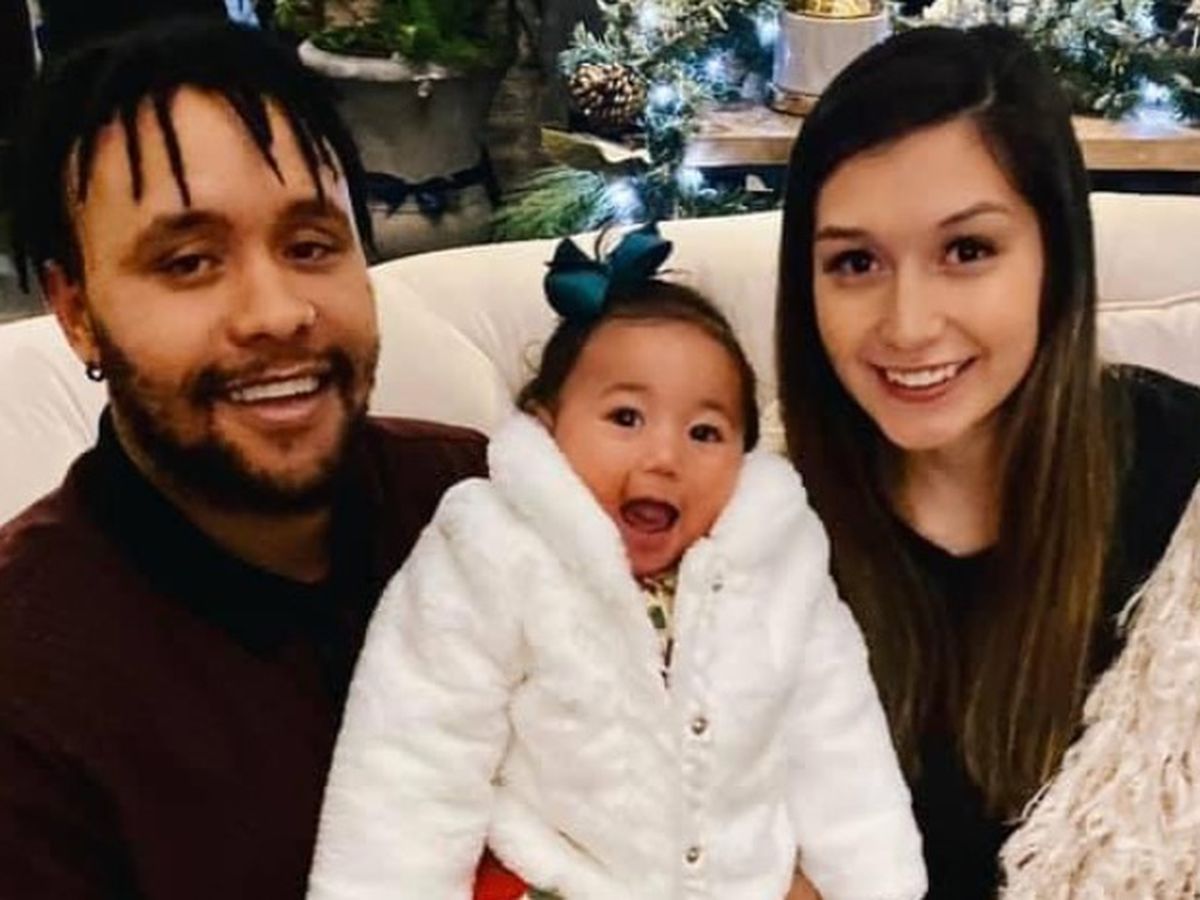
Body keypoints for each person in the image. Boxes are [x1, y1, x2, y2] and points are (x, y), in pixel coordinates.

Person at [0, 21, 486, 898]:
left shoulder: (475, 504)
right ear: (76, 312)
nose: (277, 312)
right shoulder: (31, 684)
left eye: (310, 247)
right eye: (190, 262)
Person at [305, 225, 928, 900]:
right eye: (626, 418)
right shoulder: (494, 547)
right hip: (558, 877)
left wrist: (875, 887)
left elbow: (839, 742)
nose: (664, 457)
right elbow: (416, 752)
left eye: (705, 432)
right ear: (547, 427)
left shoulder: (778, 561)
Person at [775, 24, 1200, 899]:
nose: (908, 325)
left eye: (967, 251)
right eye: (855, 262)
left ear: (1057, 257)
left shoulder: (1186, 487)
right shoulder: (748, 526)